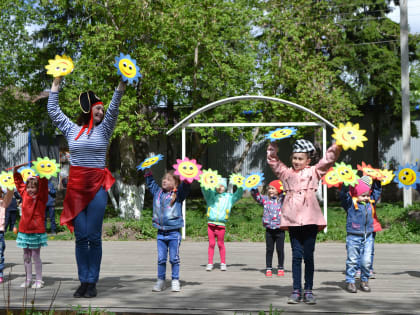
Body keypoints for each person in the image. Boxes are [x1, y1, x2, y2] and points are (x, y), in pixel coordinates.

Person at [47, 76, 126, 298]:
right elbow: (53, 111)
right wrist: (56, 83)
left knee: (94, 236)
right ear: (88, 110)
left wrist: (121, 85)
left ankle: (92, 281)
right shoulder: (72, 129)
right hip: (76, 190)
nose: (101, 112)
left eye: (102, 109)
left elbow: (114, 108)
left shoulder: (104, 130)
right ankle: (83, 280)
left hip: (97, 188)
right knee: (81, 237)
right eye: (97, 109)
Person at [267, 139, 342, 304]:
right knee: (296, 256)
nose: (296, 161)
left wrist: (337, 146)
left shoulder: (314, 172)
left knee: (308, 256)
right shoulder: (286, 173)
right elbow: (273, 162)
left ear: (308, 160)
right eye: (294, 158)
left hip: (310, 220)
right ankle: (296, 289)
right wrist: (272, 147)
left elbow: (328, 160)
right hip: (293, 221)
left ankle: (308, 289)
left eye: (300, 159)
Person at [145, 170, 191, 292]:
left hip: (174, 233)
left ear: (175, 184)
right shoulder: (157, 192)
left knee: (174, 259)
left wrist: (186, 180)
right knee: (161, 259)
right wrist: (148, 173)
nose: (165, 181)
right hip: (161, 233)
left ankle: (175, 280)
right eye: (164, 178)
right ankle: (161, 280)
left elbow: (185, 188)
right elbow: (151, 184)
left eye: (169, 179)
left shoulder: (178, 195)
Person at [340, 176, 381, 293]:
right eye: (363, 195)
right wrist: (346, 183)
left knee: (366, 261)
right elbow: (343, 195)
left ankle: (364, 280)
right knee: (352, 260)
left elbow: (376, 192)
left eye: (368, 195)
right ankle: (350, 281)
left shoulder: (371, 202)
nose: (366, 198)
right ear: (355, 194)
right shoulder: (350, 204)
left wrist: (377, 181)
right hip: (353, 236)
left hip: (368, 236)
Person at [13, 164, 49, 289]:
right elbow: (18, 183)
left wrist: (42, 172)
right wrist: (15, 171)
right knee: (26, 256)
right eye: (28, 187)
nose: (30, 189)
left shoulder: (42, 197)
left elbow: (44, 184)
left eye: (33, 187)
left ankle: (39, 280)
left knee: (35, 255)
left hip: (36, 231)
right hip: (24, 230)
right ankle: (28, 279)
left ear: (37, 188)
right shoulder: (24, 194)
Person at [201, 178, 243, 272]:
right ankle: (210, 263)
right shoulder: (211, 196)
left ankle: (223, 263)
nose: (220, 187)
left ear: (225, 187)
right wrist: (204, 182)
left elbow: (238, 195)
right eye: (218, 185)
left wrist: (240, 186)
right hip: (211, 224)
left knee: (220, 244)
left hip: (221, 225)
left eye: (222, 185)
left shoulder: (229, 198)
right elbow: (204, 189)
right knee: (211, 244)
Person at [251, 180, 285, 277]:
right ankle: (268, 267)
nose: (270, 190)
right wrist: (254, 188)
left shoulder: (283, 200)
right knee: (269, 249)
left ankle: (280, 267)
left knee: (280, 250)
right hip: (269, 230)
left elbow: (290, 196)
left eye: (273, 188)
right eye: (269, 188)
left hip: (280, 229)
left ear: (278, 190)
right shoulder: (266, 199)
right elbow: (257, 197)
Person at [0, 188, 14, 283]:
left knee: (0, 254)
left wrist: (10, 187)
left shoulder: (2, 203)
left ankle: (0, 273)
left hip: (0, 232)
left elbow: (9, 196)